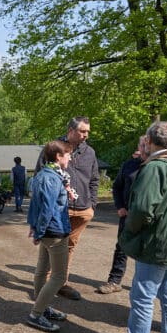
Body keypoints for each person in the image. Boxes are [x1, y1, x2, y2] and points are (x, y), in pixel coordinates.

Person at [95, 121, 167, 333]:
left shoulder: (154, 168)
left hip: (157, 244)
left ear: (149, 141)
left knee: (143, 297)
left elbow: (141, 209)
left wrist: (130, 233)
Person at [35, 116, 99, 300]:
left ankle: (61, 283)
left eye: (87, 131)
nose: (86, 135)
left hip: (82, 209)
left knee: (70, 247)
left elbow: (94, 180)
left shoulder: (90, 153)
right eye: (82, 131)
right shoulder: (53, 148)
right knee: (52, 248)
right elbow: (40, 176)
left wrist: (92, 205)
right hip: (59, 210)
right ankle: (46, 289)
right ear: (70, 130)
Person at [25, 140, 74, 332]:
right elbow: (46, 209)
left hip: (48, 231)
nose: (70, 157)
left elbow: (35, 205)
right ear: (58, 157)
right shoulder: (51, 178)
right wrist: (39, 230)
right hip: (54, 231)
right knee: (59, 277)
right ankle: (36, 314)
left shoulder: (43, 175)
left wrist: (35, 227)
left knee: (41, 270)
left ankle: (41, 308)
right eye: (68, 154)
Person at [97, 136, 146, 294]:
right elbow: (117, 186)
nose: (144, 147)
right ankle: (114, 281)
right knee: (121, 248)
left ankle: (143, 285)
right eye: (142, 144)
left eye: (147, 144)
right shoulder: (129, 165)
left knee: (145, 250)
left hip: (148, 217)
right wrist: (119, 206)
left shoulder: (156, 167)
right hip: (127, 215)